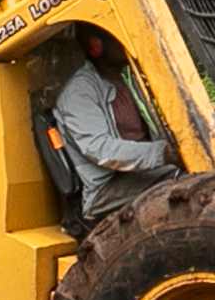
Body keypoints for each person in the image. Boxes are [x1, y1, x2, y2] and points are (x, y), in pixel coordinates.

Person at [53, 27, 181, 221]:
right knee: (184, 178)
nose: (129, 41)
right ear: (96, 46)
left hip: (141, 173)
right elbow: (102, 151)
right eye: (119, 37)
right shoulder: (79, 93)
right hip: (107, 188)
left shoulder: (128, 79)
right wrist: (164, 153)